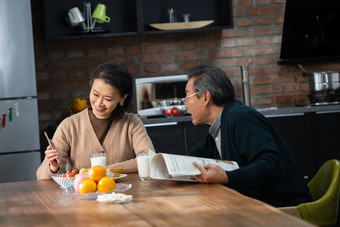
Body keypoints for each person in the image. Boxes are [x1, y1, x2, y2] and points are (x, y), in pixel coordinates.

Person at [184, 64, 312, 207]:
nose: (185, 104)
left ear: (205, 97)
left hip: (282, 206)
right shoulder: (219, 125)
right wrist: (168, 169)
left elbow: (272, 163)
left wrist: (227, 177)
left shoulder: (241, 118)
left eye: (187, 96)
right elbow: (194, 158)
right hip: (256, 204)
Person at [37, 62, 154, 180]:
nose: (99, 103)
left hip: (122, 195)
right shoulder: (69, 125)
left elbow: (150, 158)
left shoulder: (132, 123)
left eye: (108, 99)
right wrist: (53, 167)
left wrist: (105, 170)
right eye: (95, 94)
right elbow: (41, 176)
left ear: (122, 98)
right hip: (82, 195)